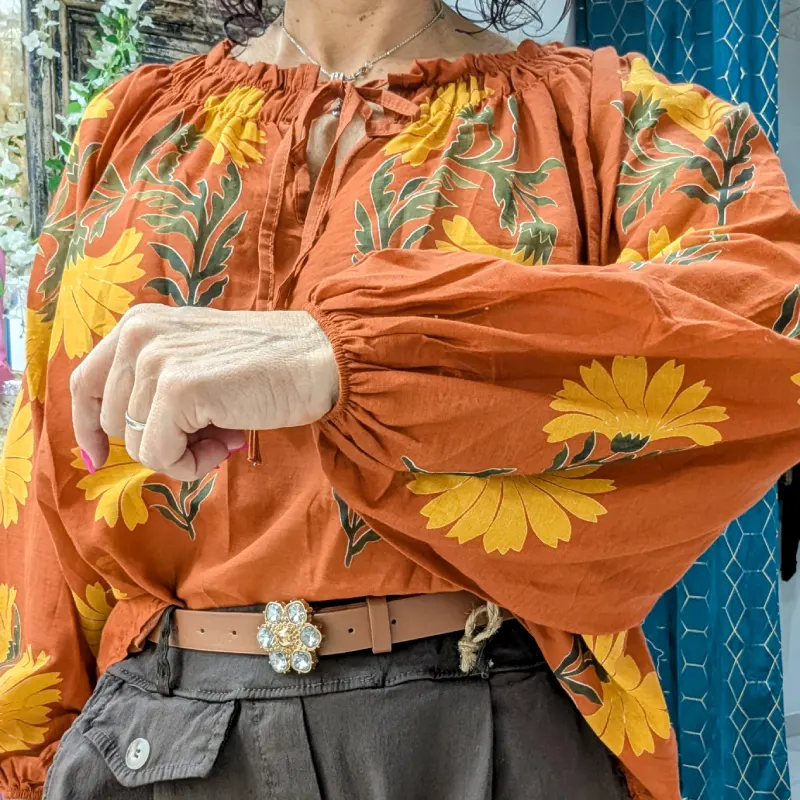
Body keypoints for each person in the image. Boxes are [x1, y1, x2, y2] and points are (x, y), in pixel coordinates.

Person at [2, 0, 800, 797]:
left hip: (481, 733)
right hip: (150, 747)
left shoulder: (610, 118)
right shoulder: (128, 126)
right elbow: (43, 492)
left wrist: (341, 354)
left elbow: (769, 327)